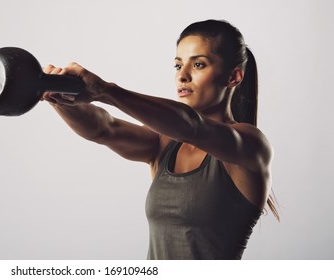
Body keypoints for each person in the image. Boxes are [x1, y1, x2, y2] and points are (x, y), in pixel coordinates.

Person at [41, 19, 279, 260]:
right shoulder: (164, 143)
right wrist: (57, 96)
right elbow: (104, 128)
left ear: (234, 77)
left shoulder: (251, 145)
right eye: (178, 66)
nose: (182, 76)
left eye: (198, 64)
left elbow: (193, 127)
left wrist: (105, 91)